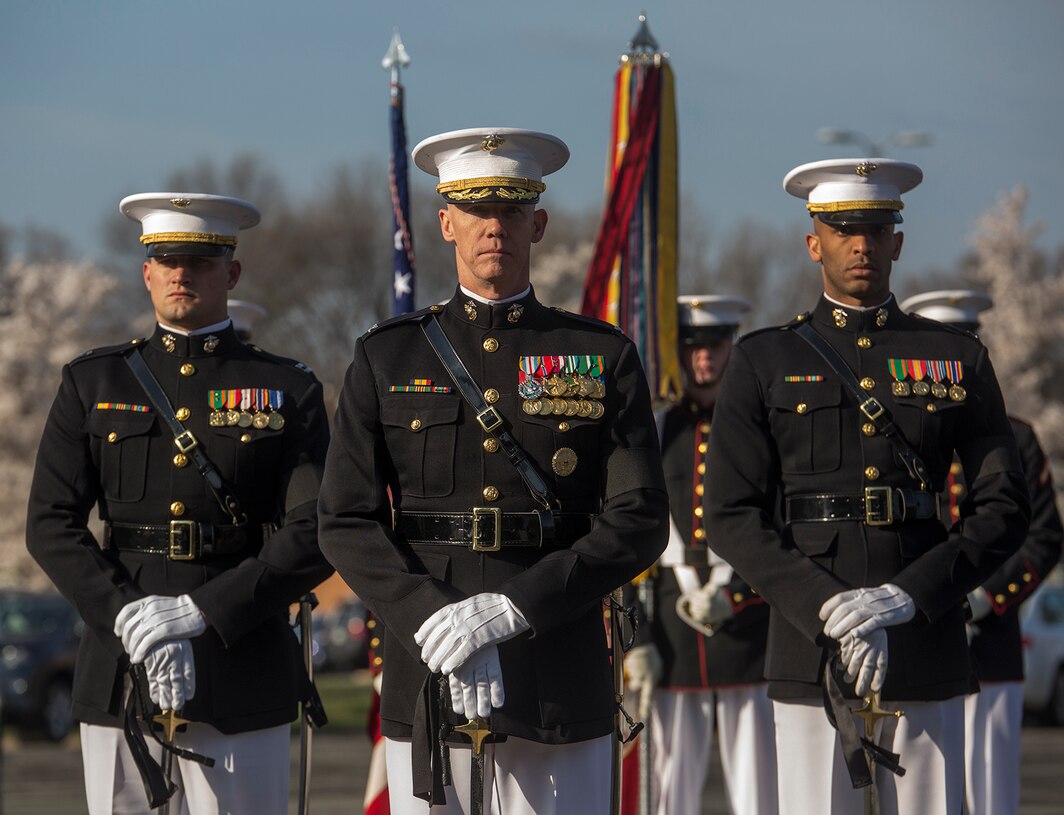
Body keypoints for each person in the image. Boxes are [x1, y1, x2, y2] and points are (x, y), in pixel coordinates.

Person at [317, 127, 669, 814]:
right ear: (445, 222)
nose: (493, 226)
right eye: (476, 209)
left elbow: (641, 517)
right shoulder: (387, 358)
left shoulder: (600, 355)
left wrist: (513, 607)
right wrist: (433, 617)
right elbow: (345, 519)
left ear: (537, 222)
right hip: (430, 671)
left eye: (511, 210)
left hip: (557, 675)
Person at [703, 158, 1031, 815]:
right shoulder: (765, 359)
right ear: (813, 241)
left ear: (898, 242)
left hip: (923, 636)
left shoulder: (955, 358)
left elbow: (1004, 506)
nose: (862, 244)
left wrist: (906, 597)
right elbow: (731, 514)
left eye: (878, 229)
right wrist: (826, 605)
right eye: (845, 229)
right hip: (809, 641)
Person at [26, 193, 332, 814]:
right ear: (146, 271)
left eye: (200, 260)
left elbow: (316, 528)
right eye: (166, 259)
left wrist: (202, 612)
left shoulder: (287, 388)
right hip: (121, 665)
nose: (180, 273)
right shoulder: (94, 382)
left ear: (232, 272)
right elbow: (50, 523)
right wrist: (129, 619)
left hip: (241, 659)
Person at [900, 289, 1064, 815]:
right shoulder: (900, 440)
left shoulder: (1017, 438)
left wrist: (988, 598)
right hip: (919, 643)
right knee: (923, 796)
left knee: (992, 797)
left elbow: (1043, 538)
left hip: (990, 649)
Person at [624, 294, 777, 814]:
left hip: (747, 631)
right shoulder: (657, 431)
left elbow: (778, 528)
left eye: (714, 345)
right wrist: (636, 640)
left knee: (760, 787)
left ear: (731, 346)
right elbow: (628, 535)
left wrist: (735, 594)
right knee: (668, 791)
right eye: (692, 347)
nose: (704, 359)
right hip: (671, 629)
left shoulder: (761, 430)